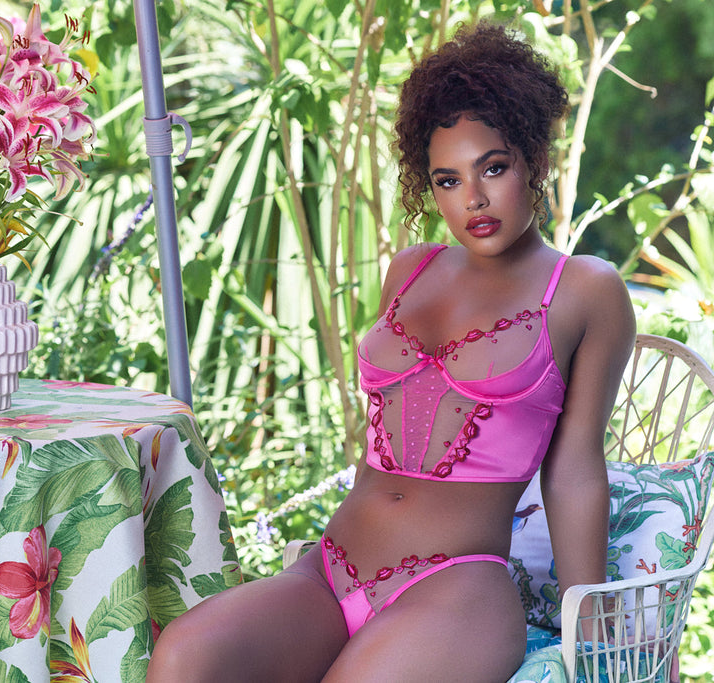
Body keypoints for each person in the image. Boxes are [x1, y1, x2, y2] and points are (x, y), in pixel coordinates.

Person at [145, 21, 636, 682]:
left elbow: (573, 468)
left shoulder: (583, 290)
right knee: (185, 655)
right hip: (333, 568)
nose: (474, 198)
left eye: (493, 167)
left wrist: (588, 621)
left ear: (534, 159)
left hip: (455, 591)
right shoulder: (411, 269)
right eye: (447, 180)